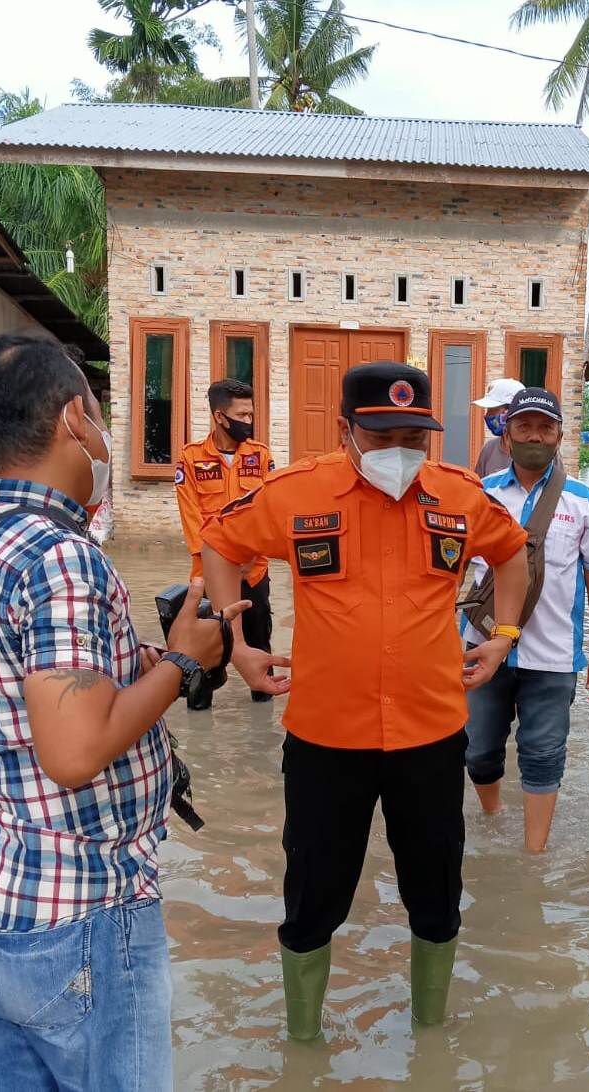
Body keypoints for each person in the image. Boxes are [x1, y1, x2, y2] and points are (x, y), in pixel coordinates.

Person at [0, 334, 279, 1091]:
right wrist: (183, 664)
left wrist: (128, 667)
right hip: (73, 911)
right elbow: (75, 752)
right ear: (74, 421)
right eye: (102, 416)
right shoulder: (61, 555)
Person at [200, 362, 529, 1039]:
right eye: (382, 436)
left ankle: (429, 1041)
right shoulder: (296, 492)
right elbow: (219, 541)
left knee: (435, 896)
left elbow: (512, 552)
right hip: (325, 738)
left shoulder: (458, 495)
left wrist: (502, 636)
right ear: (344, 429)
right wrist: (235, 640)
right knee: (312, 896)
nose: (400, 451)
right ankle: (302, 1045)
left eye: (415, 434)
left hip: (431, 734)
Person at [462, 388, 589, 852]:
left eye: (545, 428)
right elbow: (449, 572)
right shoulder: (479, 496)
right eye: (524, 427)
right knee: (479, 749)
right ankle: (493, 816)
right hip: (480, 646)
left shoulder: (583, 500)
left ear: (559, 437)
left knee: (544, 754)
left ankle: (535, 854)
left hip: (552, 654)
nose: (535, 436)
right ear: (505, 437)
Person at [175, 378, 275, 706]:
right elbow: (191, 518)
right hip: (207, 571)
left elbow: (269, 508)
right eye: (242, 415)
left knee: (260, 642)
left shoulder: (260, 456)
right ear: (220, 416)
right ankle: (199, 703)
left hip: (254, 570)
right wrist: (216, 559)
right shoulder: (190, 458)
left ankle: (263, 705)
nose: (249, 421)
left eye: (251, 415)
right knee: (204, 648)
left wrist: (252, 554)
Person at [473, 377, 525, 477]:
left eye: (492, 409)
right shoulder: (489, 449)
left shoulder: (539, 450)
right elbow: (478, 488)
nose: (487, 415)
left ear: (508, 412)